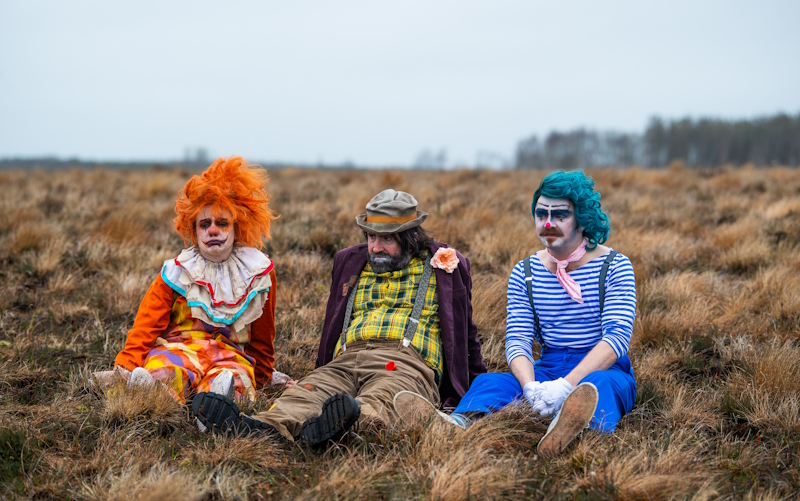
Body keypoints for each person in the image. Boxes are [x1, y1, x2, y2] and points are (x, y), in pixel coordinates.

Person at [193, 189, 486, 446]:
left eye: (387, 239)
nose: (375, 247)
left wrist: (477, 385)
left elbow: (466, 332)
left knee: (384, 397)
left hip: (405, 364)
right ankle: (258, 428)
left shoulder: (442, 267)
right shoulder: (352, 263)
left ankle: (346, 426)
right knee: (308, 392)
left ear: (411, 239)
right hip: (346, 359)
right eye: (371, 237)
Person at [393, 171, 637, 456]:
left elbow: (616, 338)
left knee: (596, 388)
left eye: (560, 215)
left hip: (604, 368)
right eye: (541, 214)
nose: (548, 223)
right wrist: (530, 385)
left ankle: (569, 431)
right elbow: (518, 339)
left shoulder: (615, 266)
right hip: (548, 366)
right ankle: (457, 425)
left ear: (582, 218)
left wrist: (565, 386)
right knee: (490, 382)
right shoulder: (525, 272)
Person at [97, 157, 280, 427]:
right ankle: (153, 396)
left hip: (231, 355)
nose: (213, 230)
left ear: (237, 227)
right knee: (165, 371)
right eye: (204, 224)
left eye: (222, 223)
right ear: (193, 231)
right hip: (179, 348)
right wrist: (125, 367)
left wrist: (262, 377)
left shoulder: (258, 273)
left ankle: (217, 407)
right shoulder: (176, 272)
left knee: (234, 379)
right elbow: (145, 327)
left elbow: (263, 336)